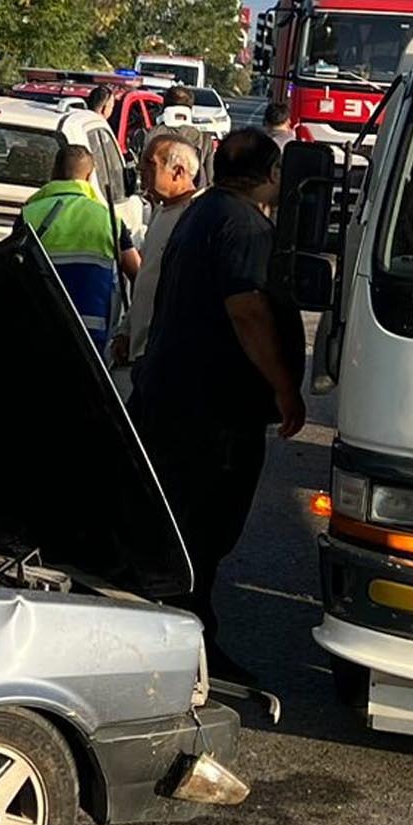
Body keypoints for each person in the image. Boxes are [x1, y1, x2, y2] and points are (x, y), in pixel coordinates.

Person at [127, 125, 305, 676]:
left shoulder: (199, 214)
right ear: (272, 175)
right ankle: (188, 645)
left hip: (173, 398)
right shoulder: (244, 226)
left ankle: (182, 636)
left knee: (184, 527)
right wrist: (283, 387)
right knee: (205, 531)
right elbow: (246, 309)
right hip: (213, 414)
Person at [21, 142, 120, 352]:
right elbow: (135, 270)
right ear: (90, 176)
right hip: (90, 333)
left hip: (40, 324)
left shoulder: (29, 214)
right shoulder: (108, 217)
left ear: (54, 172)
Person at [120, 133, 205, 364]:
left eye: (150, 164)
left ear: (178, 172)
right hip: (143, 352)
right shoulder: (160, 211)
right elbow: (147, 277)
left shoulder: (197, 216)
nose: (140, 170)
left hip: (169, 355)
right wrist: (126, 329)